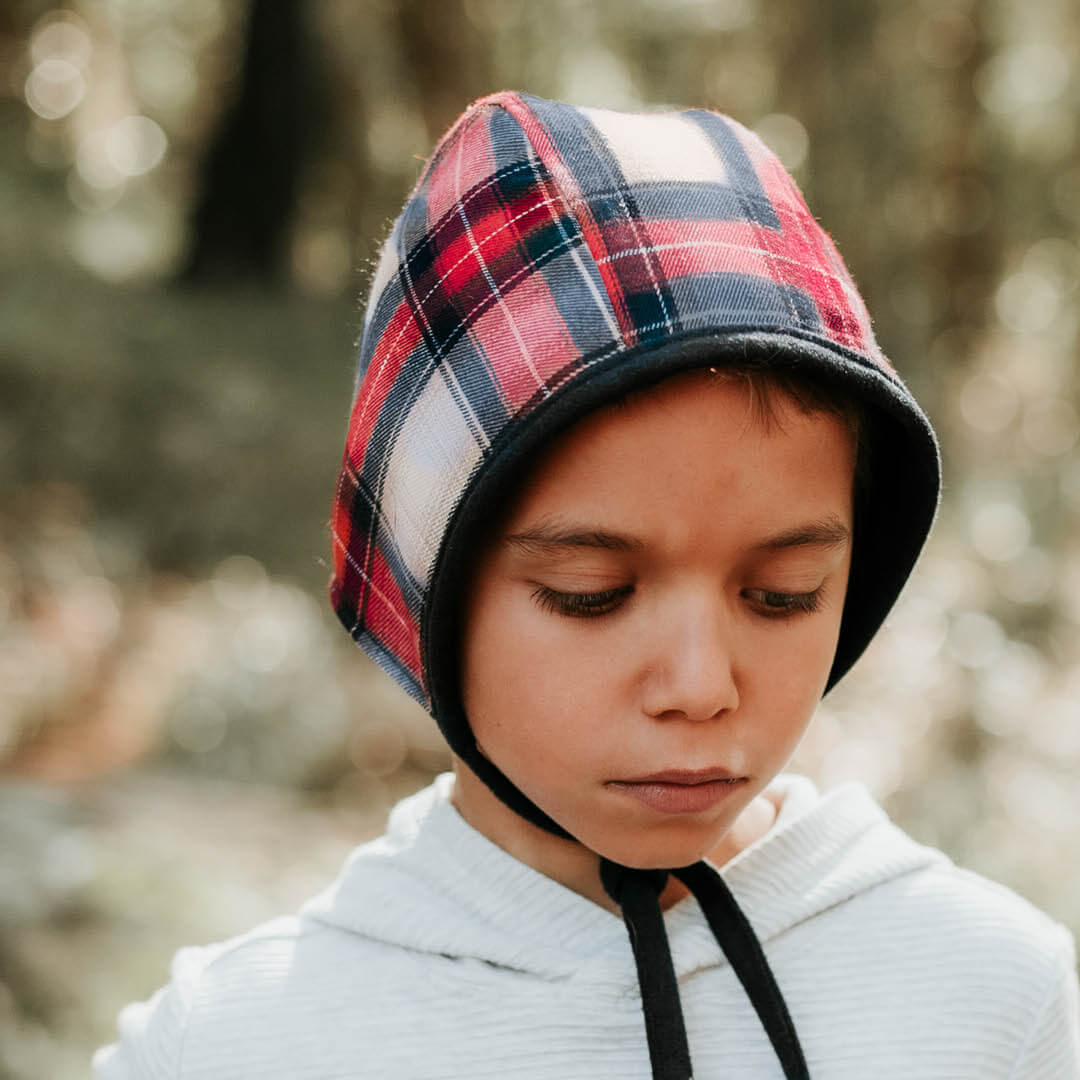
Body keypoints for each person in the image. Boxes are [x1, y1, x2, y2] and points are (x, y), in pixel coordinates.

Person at [94, 91, 1079, 1079]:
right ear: (425, 584)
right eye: (589, 591)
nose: (701, 687)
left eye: (783, 593)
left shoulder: (996, 997)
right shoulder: (240, 1043)